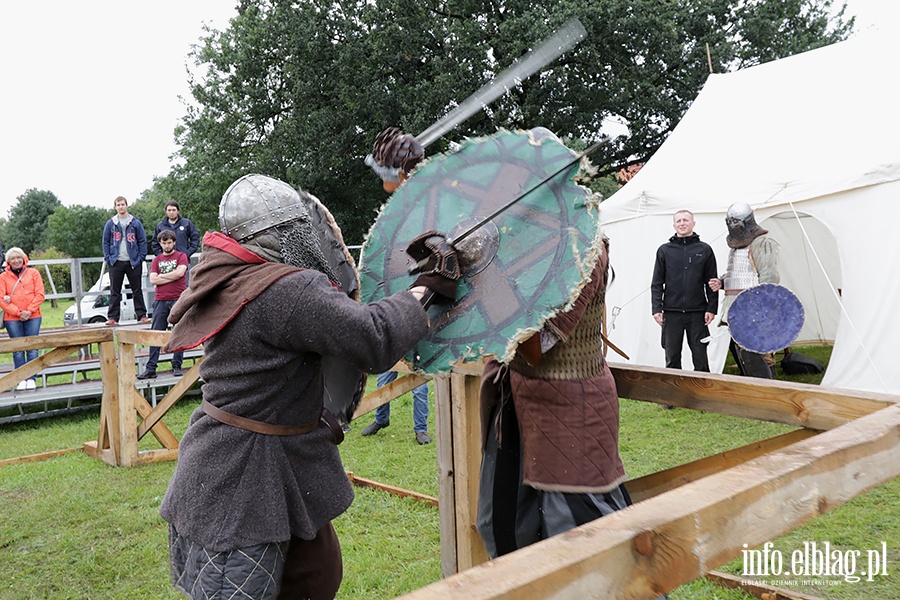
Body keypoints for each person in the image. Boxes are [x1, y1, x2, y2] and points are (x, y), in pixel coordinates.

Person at [158, 174, 458, 600]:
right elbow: (373, 338)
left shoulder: (223, 274)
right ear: (284, 235)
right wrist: (425, 288)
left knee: (314, 576)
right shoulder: (284, 287)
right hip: (242, 482)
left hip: (252, 458)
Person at [476, 238, 632, 557]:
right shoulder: (513, 237)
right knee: (502, 528)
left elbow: (535, 348)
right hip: (514, 399)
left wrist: (489, 276)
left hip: (573, 408)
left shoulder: (583, 247)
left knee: (584, 537)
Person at [708, 202, 780, 378]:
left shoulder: (762, 243)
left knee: (757, 352)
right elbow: (740, 274)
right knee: (741, 350)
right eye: (730, 222)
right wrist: (722, 282)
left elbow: (769, 276)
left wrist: (761, 306)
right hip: (735, 307)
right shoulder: (736, 247)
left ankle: (767, 392)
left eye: (737, 222)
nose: (733, 226)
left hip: (752, 306)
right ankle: (755, 391)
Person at [650, 210, 718, 373]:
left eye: (685, 220)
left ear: (693, 224)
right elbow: (657, 283)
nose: (682, 223)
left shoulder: (705, 249)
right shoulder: (664, 251)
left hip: (697, 313)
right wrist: (656, 308)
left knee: (700, 357)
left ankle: (702, 393)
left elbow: (712, 282)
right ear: (674, 225)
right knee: (672, 358)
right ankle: (674, 396)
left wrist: (711, 308)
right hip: (672, 313)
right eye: (679, 221)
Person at [138, 230, 188, 380]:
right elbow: (153, 280)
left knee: (179, 332)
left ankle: (177, 365)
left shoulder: (181, 256)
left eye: (169, 242)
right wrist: (170, 276)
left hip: (178, 299)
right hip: (160, 300)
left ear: (174, 242)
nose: (167, 245)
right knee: (155, 334)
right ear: (160, 243)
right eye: (164, 243)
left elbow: (180, 274)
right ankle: (151, 368)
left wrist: (161, 277)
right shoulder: (156, 260)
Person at [0, 247, 46, 390]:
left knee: (32, 348)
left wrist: (29, 311)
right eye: (13, 258)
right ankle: (21, 379)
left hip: (33, 316)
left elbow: (40, 294)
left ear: (24, 258)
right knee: (18, 349)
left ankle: (32, 378)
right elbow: (1, 299)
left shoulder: (34, 273)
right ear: (8, 261)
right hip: (12, 318)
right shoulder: (2, 277)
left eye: (18, 257)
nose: (16, 261)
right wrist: (19, 312)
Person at [101, 196, 149, 325]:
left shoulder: (135, 223)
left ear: (127, 205)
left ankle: (141, 315)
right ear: (115, 207)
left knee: (137, 290)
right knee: (114, 291)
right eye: (118, 205)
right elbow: (105, 241)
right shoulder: (111, 223)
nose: (121, 207)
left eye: (122, 204)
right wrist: (109, 258)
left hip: (133, 261)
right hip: (116, 261)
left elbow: (142, 241)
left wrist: (141, 258)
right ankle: (112, 318)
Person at [361, 372, 431, 444]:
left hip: (415, 362)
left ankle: (420, 430)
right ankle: (381, 420)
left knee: (420, 391)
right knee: (382, 387)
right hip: (391, 361)